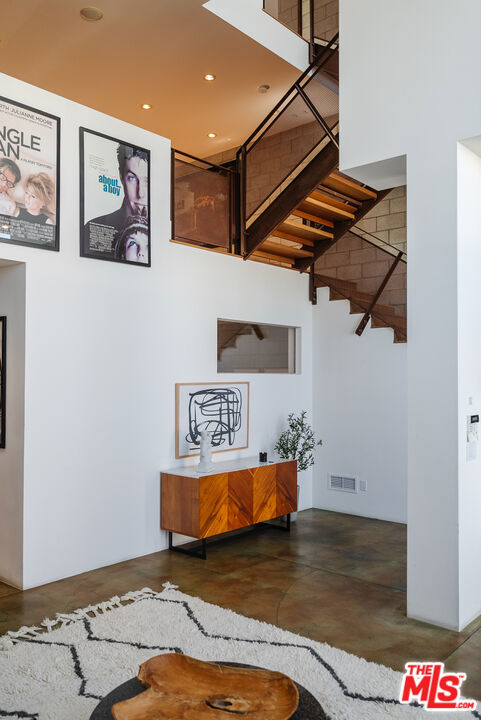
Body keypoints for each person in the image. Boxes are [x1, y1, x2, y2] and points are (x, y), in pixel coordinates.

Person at [85, 144, 148, 249]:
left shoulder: (161, 234)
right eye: (132, 178)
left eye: (147, 181)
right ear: (121, 176)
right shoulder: (92, 228)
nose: (140, 193)